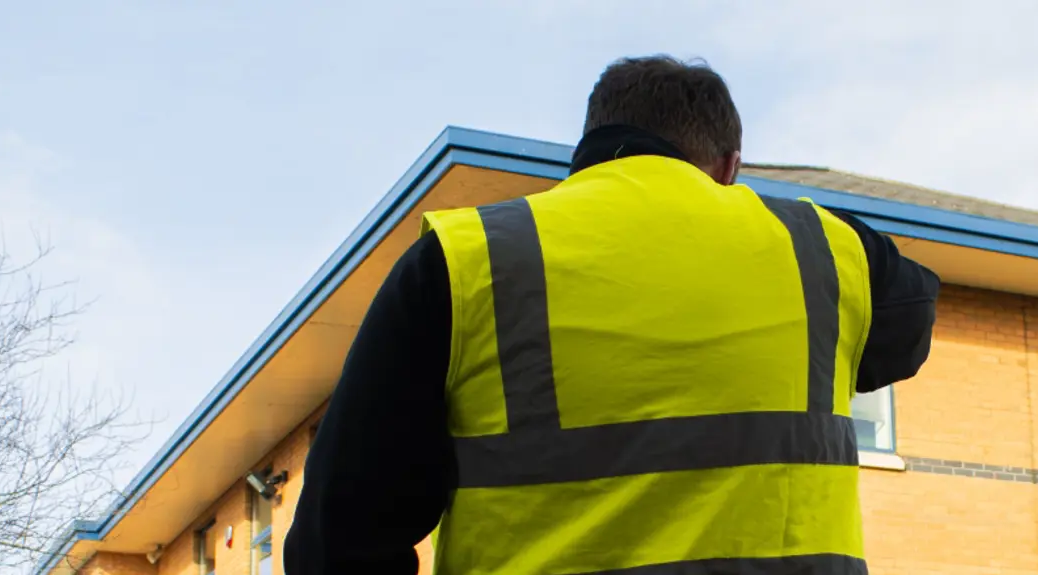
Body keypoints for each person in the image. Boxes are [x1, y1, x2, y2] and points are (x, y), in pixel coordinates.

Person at [284, 54, 940, 575]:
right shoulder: (822, 248)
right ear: (730, 164)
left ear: (589, 148)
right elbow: (909, 328)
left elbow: (337, 539)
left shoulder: (467, 262)